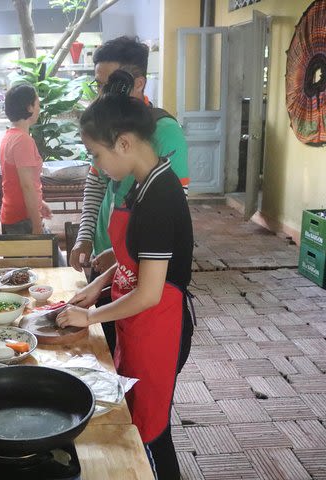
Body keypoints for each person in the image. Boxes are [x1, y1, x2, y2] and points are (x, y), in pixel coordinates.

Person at [56, 79, 194, 480]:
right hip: (139, 322)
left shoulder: (160, 197)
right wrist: (97, 284)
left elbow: (151, 290)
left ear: (124, 143)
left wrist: (91, 318)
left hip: (159, 326)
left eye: (96, 154)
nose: (96, 166)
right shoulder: (142, 183)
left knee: (152, 432)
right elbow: (139, 261)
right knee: (138, 421)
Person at [68, 36, 190, 356]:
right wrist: (105, 271)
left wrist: (92, 312)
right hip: (121, 274)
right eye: (99, 86)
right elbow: (96, 184)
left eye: (112, 85)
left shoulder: (159, 186)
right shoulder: (138, 173)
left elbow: (152, 280)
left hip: (152, 314)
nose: (104, 96)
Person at [0, 83, 53, 234]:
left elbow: (15, 181)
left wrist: (39, 203)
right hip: (23, 219)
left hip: (13, 214)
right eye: (37, 104)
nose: (39, 109)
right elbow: (27, 185)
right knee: (49, 258)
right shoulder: (23, 140)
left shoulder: (9, 137)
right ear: (29, 108)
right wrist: (37, 225)